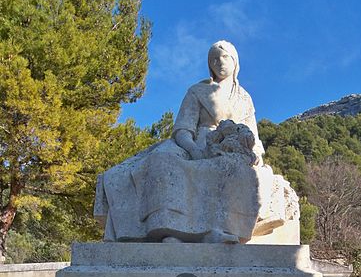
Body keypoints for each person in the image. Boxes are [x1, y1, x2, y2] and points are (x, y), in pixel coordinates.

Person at [95, 41, 283, 243]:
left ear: (235, 61)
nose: (219, 62)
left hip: (231, 147)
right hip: (196, 142)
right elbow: (183, 129)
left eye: (224, 57)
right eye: (214, 59)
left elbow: (252, 135)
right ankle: (170, 231)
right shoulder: (197, 91)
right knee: (162, 160)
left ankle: (217, 232)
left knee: (233, 169)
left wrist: (254, 154)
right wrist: (194, 150)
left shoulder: (244, 98)